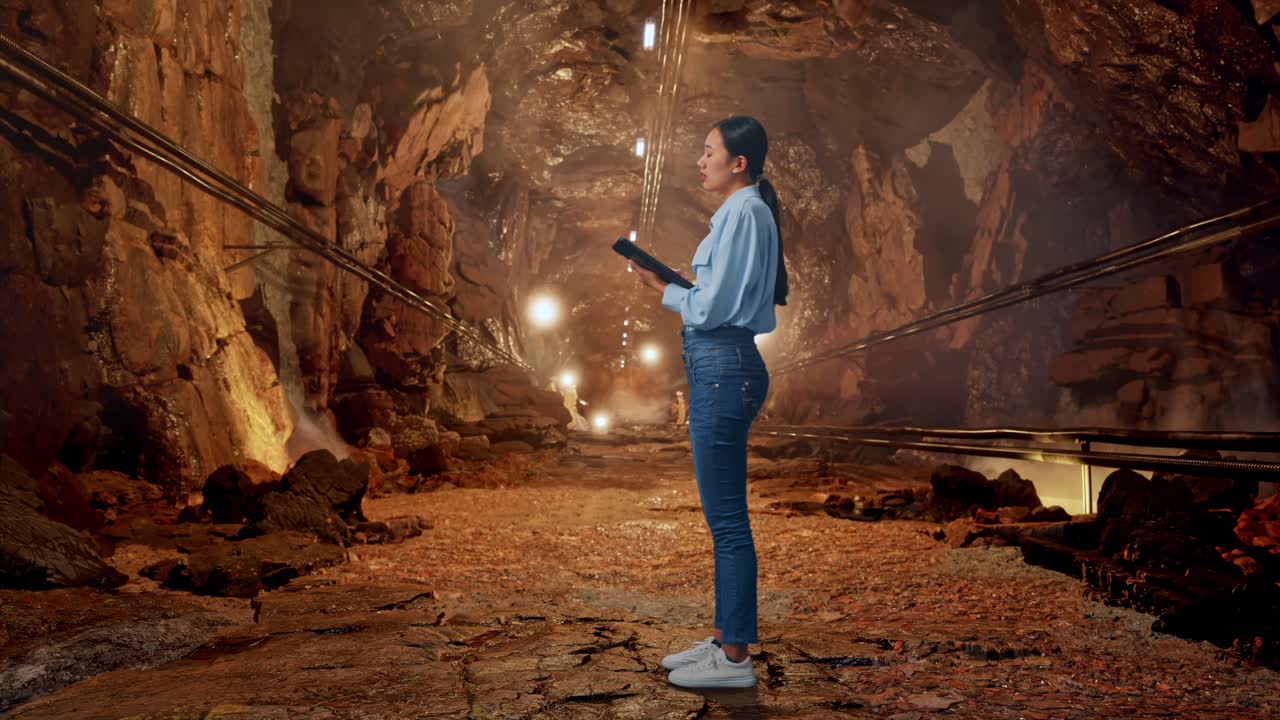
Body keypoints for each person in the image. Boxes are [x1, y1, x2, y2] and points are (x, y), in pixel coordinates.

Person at [628, 115, 788, 689]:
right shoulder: (742, 214)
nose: (701, 161)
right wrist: (680, 283)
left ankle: (736, 661)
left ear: (737, 163)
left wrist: (668, 291)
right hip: (720, 366)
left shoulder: (745, 212)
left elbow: (714, 308)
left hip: (724, 366)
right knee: (723, 520)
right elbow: (719, 294)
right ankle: (725, 639)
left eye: (708, 151)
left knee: (728, 522)